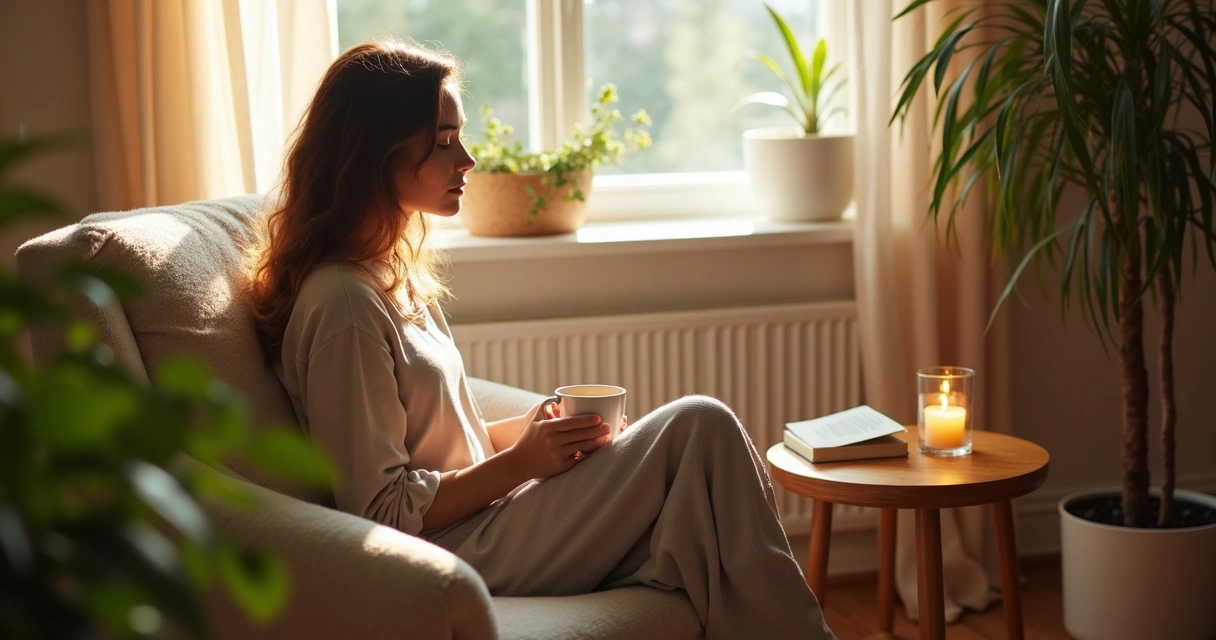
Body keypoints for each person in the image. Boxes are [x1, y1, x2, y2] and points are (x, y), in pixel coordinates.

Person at [245, 39, 835, 640]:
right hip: (450, 553)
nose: (468, 159)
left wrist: (534, 431)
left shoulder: (390, 274)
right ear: (375, 153)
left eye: (459, 137)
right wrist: (520, 464)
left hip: (487, 519)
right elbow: (380, 512)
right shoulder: (344, 307)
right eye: (444, 142)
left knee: (698, 500)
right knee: (700, 427)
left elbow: (439, 439)